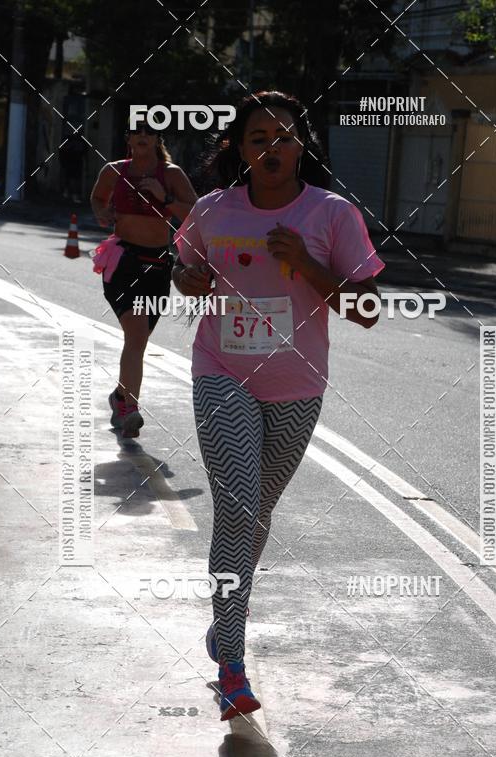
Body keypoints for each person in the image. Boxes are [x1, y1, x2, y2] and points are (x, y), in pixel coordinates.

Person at [173, 91, 385, 721]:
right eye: (258, 137)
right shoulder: (212, 210)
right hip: (223, 372)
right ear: (237, 148)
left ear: (302, 146)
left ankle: (223, 621)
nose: (273, 148)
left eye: (285, 137)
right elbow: (184, 270)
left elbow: (368, 311)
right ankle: (231, 663)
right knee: (237, 508)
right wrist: (191, 280)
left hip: (296, 386)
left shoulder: (332, 215)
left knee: (257, 513)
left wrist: (307, 265)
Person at [90, 119, 197, 437]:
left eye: (148, 132)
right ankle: (129, 409)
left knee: (139, 340)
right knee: (136, 336)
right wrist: (102, 213)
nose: (141, 136)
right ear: (128, 138)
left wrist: (165, 198)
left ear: (156, 139)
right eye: (135, 131)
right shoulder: (113, 170)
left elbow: (196, 213)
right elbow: (98, 198)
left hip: (157, 266)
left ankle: (120, 396)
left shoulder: (172, 174)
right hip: (122, 263)